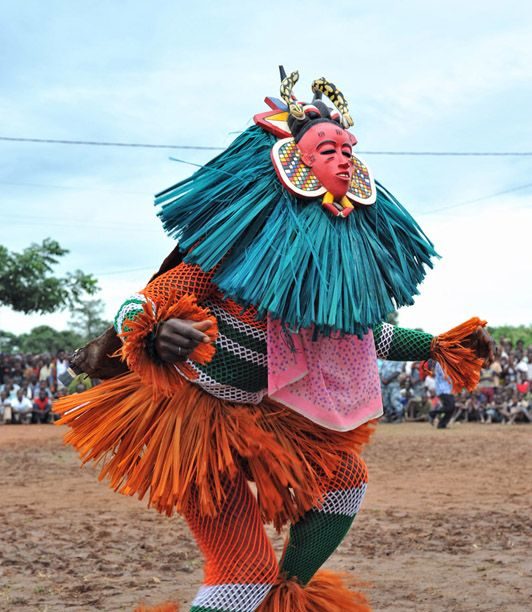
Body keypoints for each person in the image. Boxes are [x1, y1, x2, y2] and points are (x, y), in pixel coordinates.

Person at [56, 68, 492, 612]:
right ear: (290, 165)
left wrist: (440, 345)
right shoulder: (221, 259)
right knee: (240, 576)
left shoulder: (319, 280)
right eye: (326, 148)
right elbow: (141, 304)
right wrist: (152, 331)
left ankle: (285, 594)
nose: (343, 159)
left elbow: (365, 335)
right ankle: (258, 592)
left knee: (346, 479)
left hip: (268, 417)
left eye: (347, 149)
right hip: (197, 427)